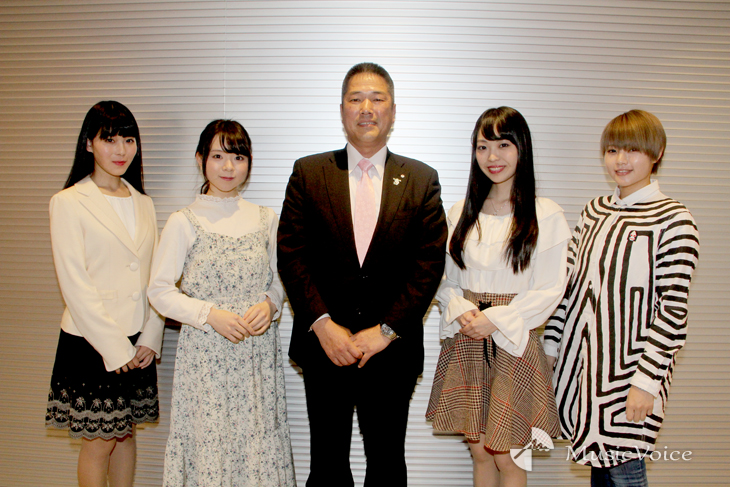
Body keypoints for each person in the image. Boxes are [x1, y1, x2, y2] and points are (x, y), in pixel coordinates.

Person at [277, 62, 448, 487]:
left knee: (387, 466)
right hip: (325, 346)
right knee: (327, 468)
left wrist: (386, 330)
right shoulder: (309, 173)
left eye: (377, 99)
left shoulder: (422, 179)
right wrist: (322, 325)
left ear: (393, 111)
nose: (366, 108)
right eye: (356, 99)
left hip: (391, 350)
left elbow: (429, 264)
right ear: (342, 110)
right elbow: (291, 255)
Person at [543, 110, 700, 486]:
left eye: (633, 150)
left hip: (629, 375)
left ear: (656, 153)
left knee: (625, 471)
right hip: (582, 372)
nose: (621, 160)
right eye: (613, 150)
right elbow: (568, 287)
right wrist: (549, 353)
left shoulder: (674, 219)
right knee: (600, 471)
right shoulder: (594, 212)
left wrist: (646, 382)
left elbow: (672, 311)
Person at [426, 107, 570, 487]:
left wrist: (496, 318)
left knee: (509, 456)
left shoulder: (546, 214)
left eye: (503, 145)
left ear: (522, 148)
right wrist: (461, 310)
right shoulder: (460, 212)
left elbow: (551, 287)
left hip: (513, 341)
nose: (492, 156)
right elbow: (443, 279)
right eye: (482, 146)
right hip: (468, 338)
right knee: (479, 451)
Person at [148, 120, 294, 486]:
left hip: (256, 355)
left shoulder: (265, 218)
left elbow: (281, 278)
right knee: (209, 444)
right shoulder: (183, 221)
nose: (228, 167)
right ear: (200, 159)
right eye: (217, 156)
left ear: (249, 163)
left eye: (238, 157)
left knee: (257, 443)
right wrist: (208, 314)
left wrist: (270, 304)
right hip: (205, 355)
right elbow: (159, 290)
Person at [45, 101, 164, 487]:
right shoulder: (67, 202)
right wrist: (116, 348)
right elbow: (75, 285)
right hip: (92, 342)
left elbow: (155, 278)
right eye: (109, 139)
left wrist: (151, 336)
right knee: (99, 442)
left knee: (125, 436)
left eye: (128, 140)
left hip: (137, 341)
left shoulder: (144, 202)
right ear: (88, 143)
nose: (120, 150)